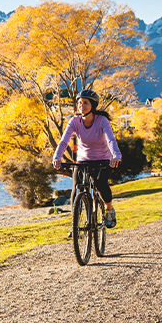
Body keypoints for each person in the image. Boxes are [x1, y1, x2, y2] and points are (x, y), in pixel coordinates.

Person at [52, 89, 122, 227]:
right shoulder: (74, 121)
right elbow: (64, 141)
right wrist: (57, 156)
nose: (81, 106)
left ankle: (109, 209)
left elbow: (110, 140)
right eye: (79, 103)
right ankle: (75, 223)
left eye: (85, 103)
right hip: (83, 160)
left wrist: (116, 155)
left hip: (103, 159)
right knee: (76, 187)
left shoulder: (102, 120)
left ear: (93, 106)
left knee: (101, 184)